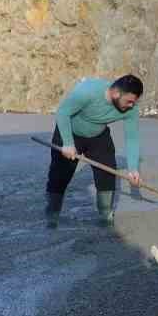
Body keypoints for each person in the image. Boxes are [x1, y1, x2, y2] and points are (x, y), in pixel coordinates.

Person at [44, 74, 144, 228]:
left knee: (107, 173)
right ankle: (52, 213)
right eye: (129, 101)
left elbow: (132, 138)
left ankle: (106, 214)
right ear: (116, 94)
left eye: (134, 102)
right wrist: (68, 143)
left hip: (98, 136)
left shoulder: (130, 109)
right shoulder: (88, 91)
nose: (132, 105)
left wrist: (133, 169)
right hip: (69, 131)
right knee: (59, 175)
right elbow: (63, 112)